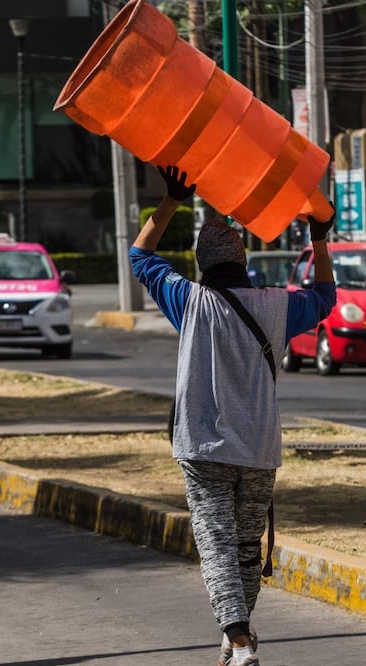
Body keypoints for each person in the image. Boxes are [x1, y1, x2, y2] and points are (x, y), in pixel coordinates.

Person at [130, 166, 336, 666]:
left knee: (216, 541)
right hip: (259, 449)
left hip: (203, 449)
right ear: (243, 260)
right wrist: (319, 239)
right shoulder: (276, 306)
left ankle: (239, 639)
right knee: (245, 546)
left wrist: (172, 200)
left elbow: (140, 257)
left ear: (202, 264)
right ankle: (236, 638)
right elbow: (327, 297)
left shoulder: (189, 300)